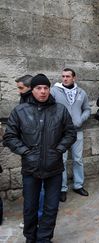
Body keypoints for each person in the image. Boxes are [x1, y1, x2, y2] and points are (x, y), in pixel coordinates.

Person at [3, 74, 77, 242]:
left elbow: (70, 133)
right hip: (30, 169)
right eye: (38, 88)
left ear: (49, 89)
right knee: (30, 207)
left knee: (51, 208)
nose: (42, 91)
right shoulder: (20, 111)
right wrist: (26, 153)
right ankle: (30, 237)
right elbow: (9, 137)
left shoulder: (60, 110)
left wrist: (58, 150)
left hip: (54, 168)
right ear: (32, 90)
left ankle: (44, 238)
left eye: (45, 88)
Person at [51, 68, 91, 202]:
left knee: (78, 159)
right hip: (60, 133)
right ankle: (62, 188)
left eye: (68, 76)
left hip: (77, 132)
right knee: (61, 160)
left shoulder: (81, 92)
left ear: (74, 78)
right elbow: (49, 109)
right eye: (63, 76)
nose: (65, 79)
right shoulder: (54, 91)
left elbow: (87, 109)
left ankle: (78, 185)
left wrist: (81, 119)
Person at [14, 74, 45, 226]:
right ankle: (33, 216)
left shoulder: (34, 102)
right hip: (28, 151)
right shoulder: (24, 100)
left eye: (21, 88)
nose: (19, 91)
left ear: (29, 87)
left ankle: (38, 217)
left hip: (36, 151)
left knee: (38, 187)